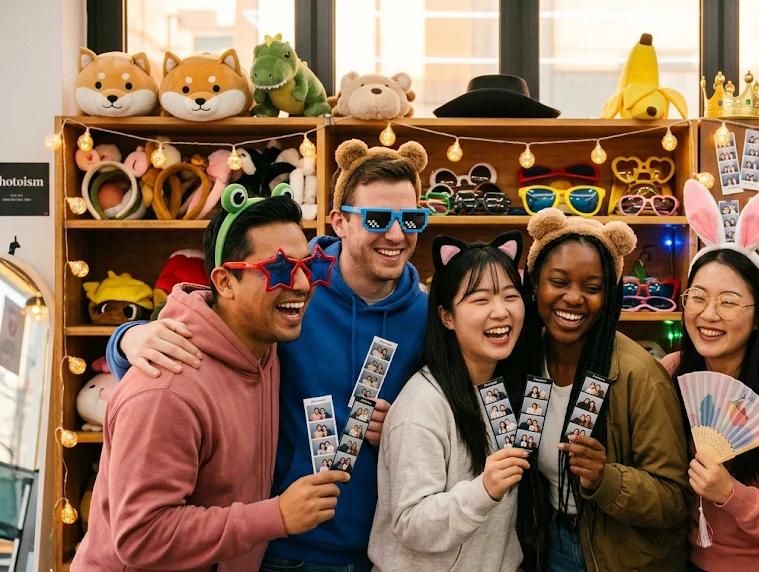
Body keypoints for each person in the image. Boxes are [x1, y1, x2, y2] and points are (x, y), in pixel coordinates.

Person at [104, 139, 433, 571]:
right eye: (376, 218)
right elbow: (215, 313)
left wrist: (410, 428)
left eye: (410, 218)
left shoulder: (430, 316)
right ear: (339, 222)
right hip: (278, 546)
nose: (395, 234)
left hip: (383, 552)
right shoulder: (290, 290)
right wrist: (128, 338)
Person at [74, 191, 347, 570]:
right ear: (224, 281)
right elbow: (141, 536)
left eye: (310, 266)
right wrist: (277, 516)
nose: (302, 284)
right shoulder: (167, 390)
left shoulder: (262, 346)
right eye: (280, 268)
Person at [516, 209, 692, 572]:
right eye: (558, 282)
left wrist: (606, 478)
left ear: (610, 295)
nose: (574, 298)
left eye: (592, 288)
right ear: (535, 285)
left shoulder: (639, 374)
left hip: (623, 555)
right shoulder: (523, 359)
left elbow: (675, 498)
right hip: (549, 542)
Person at [662, 183, 759, 571]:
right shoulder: (668, 373)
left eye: (729, 302)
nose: (708, 314)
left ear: (758, 318)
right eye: (697, 297)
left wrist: (729, 493)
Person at [370, 232, 530, 571]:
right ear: (447, 317)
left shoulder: (500, 388)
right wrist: (483, 490)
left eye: (510, 296)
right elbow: (410, 523)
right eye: (480, 300)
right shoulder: (423, 404)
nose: (500, 312)